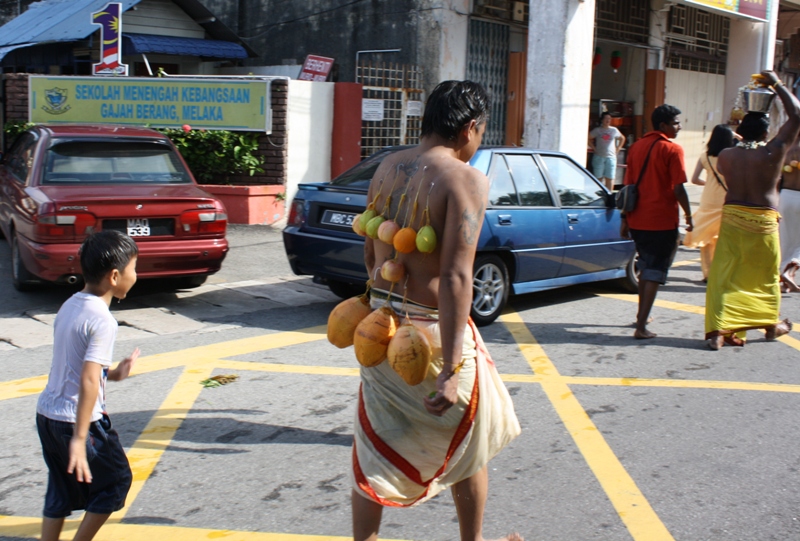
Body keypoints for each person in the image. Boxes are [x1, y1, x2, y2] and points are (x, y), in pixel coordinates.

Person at [354, 80, 522, 541]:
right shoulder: (465, 178)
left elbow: (372, 255)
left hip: (383, 327)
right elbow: (455, 277)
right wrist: (450, 368)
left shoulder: (387, 166)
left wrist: (379, 310)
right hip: (430, 335)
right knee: (469, 443)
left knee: (375, 447)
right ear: (470, 128)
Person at [36, 230, 140, 541]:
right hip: (77, 423)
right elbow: (88, 378)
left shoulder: (71, 304)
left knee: (61, 491)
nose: (136, 275)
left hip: (47, 416)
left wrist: (117, 374)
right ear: (114, 276)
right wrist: (81, 439)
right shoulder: (103, 320)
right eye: (134, 268)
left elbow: (79, 364)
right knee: (116, 483)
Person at [706, 70, 799, 350]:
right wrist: (778, 85)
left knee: (724, 276)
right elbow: (797, 115)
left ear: (740, 131)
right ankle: (770, 325)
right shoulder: (774, 152)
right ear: (765, 131)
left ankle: (717, 333)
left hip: (733, 218)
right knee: (765, 277)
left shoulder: (726, 156)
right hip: (764, 222)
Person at [620, 104, 693, 340]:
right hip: (661, 220)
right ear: (663, 126)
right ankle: (641, 326)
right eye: (676, 123)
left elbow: (628, 186)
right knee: (654, 271)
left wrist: (624, 219)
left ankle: (642, 315)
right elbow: (678, 188)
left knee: (645, 268)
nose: (679, 127)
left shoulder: (637, 147)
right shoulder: (672, 149)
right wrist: (689, 216)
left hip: (638, 219)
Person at [683, 124, 737, 281]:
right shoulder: (731, 156)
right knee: (723, 238)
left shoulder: (705, 156)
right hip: (726, 201)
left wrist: (709, 183)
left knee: (706, 239)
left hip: (708, 200)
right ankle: (723, 272)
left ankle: (708, 274)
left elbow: (694, 179)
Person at [779, 134, 800, 292]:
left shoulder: (786, 150)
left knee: (785, 240)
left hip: (785, 196)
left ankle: (784, 279)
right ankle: (791, 269)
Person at [588, 112, 626, 190]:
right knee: (598, 178)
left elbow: (622, 138)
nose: (608, 120)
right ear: (602, 120)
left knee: (610, 178)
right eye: (606, 118)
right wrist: (594, 148)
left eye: (609, 119)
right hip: (599, 157)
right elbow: (587, 137)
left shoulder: (614, 130)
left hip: (611, 157)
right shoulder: (597, 130)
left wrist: (618, 148)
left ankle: (609, 196)